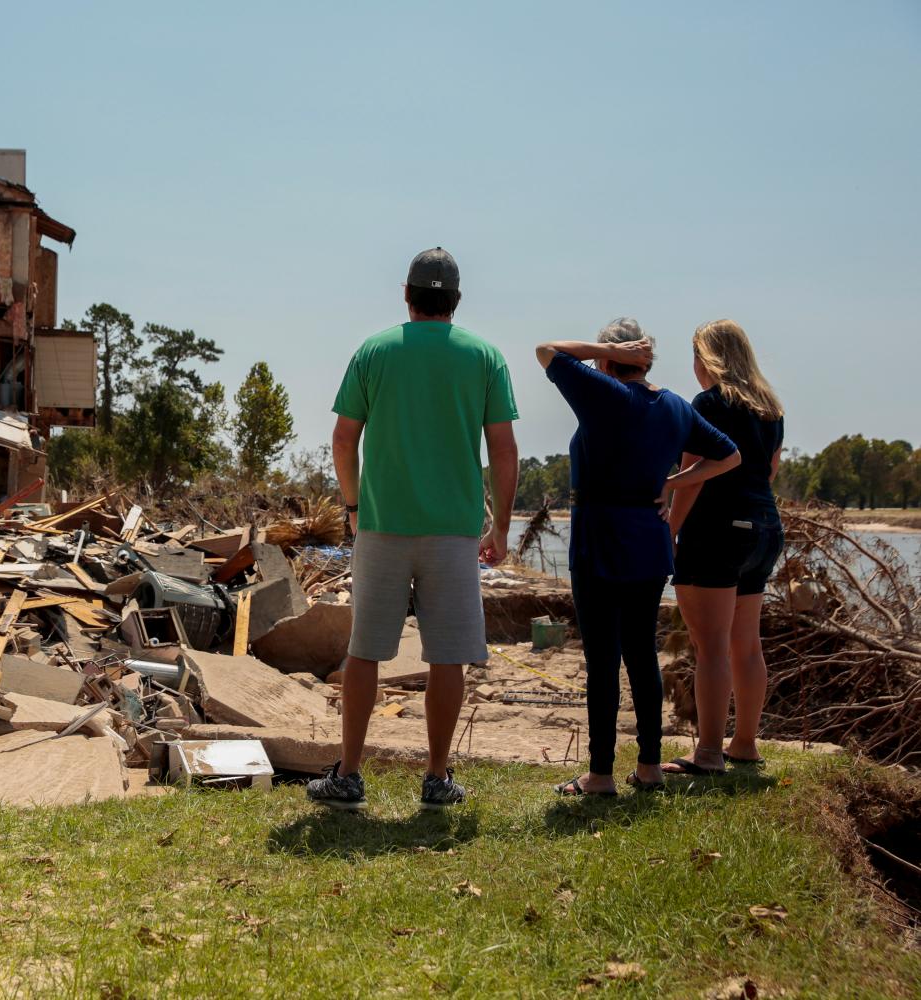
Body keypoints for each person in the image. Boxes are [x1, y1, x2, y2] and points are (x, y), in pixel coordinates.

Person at [306, 247, 519, 811]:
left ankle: (349, 776)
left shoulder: (375, 351)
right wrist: (499, 526)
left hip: (381, 526)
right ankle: (436, 778)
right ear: (455, 300)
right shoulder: (485, 356)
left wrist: (352, 507)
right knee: (446, 657)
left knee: (365, 652)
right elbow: (503, 449)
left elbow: (343, 438)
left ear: (407, 294)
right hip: (453, 532)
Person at [536, 320, 740, 797]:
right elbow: (729, 456)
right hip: (649, 540)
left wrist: (601, 347)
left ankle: (601, 775)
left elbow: (546, 349)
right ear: (645, 361)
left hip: (599, 536)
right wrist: (673, 483)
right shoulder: (674, 406)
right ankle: (649, 767)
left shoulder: (603, 393)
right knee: (641, 656)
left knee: (602, 659)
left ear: (608, 360)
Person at [665, 320, 785, 775]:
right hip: (764, 528)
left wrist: (670, 533)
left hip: (716, 531)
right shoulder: (771, 408)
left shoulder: (709, 403)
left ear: (707, 359)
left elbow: (692, 476)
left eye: (696, 357)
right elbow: (769, 472)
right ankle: (745, 744)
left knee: (710, 645)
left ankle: (710, 753)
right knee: (746, 645)